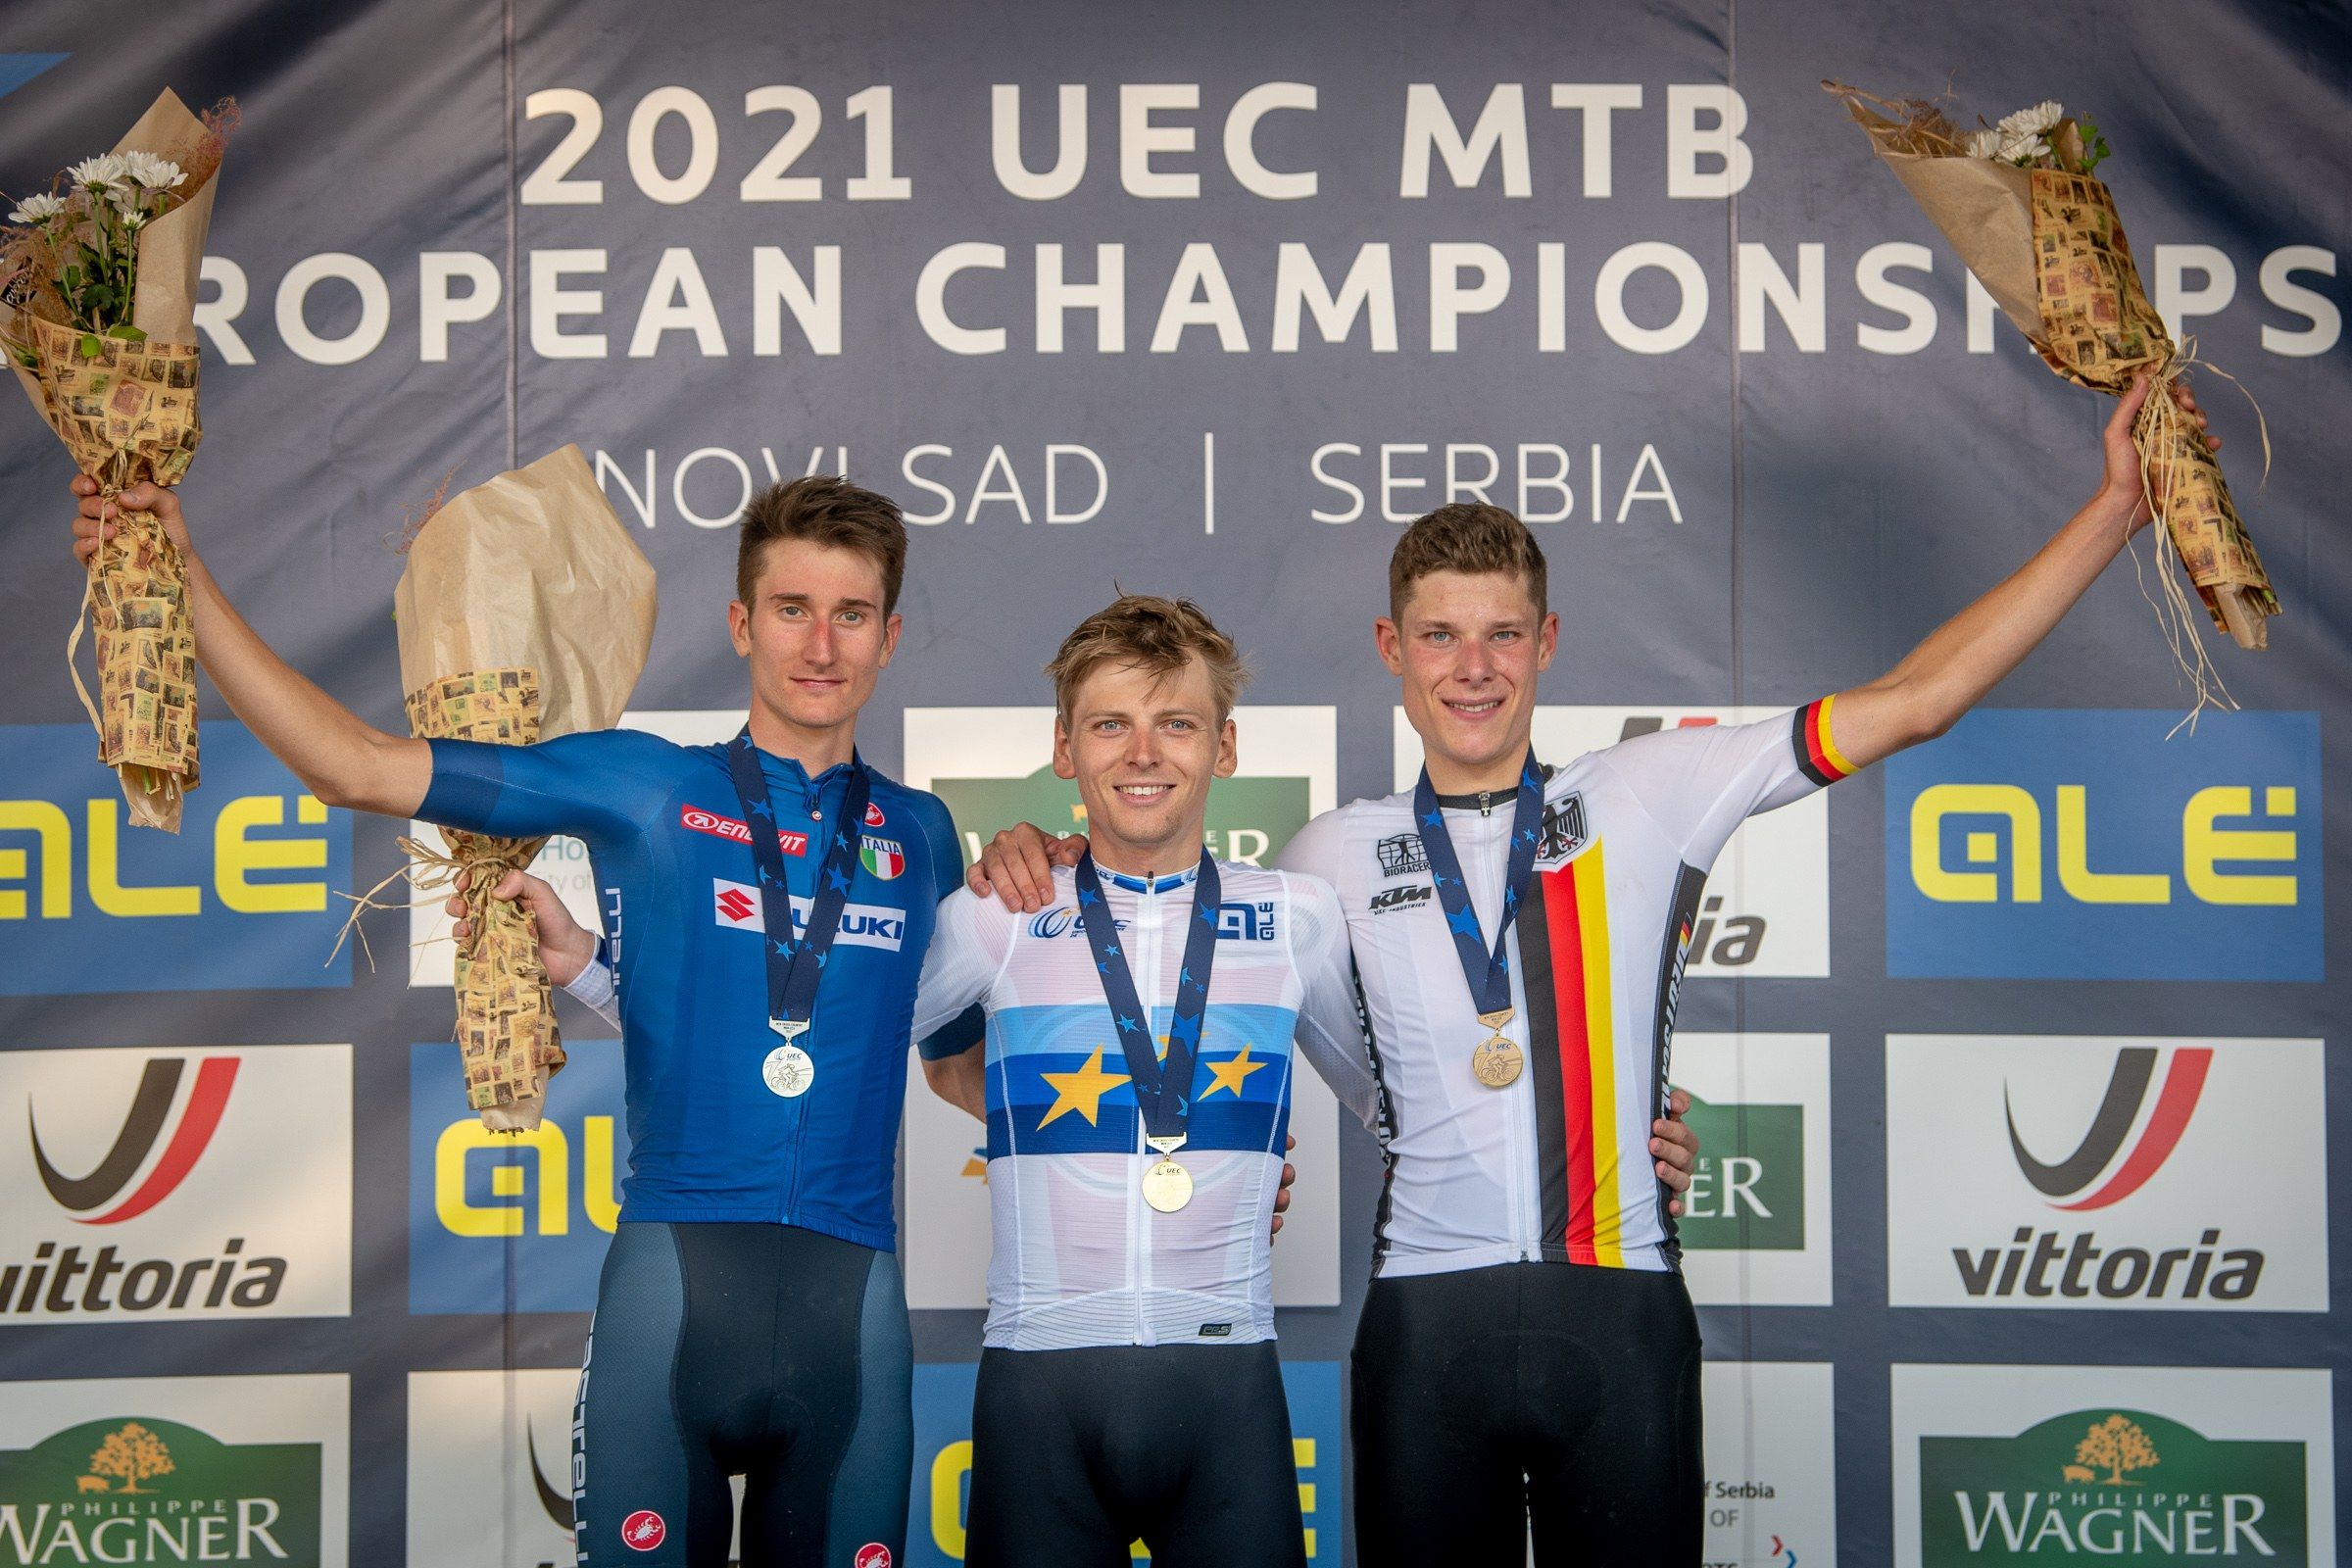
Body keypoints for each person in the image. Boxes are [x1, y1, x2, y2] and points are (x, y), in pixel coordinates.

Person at [967, 372, 2214, 1563]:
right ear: (1390, 645)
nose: (1473, 666)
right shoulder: (1322, 863)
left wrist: (2114, 510)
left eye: (1503, 633)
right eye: (1442, 635)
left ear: (1548, 639)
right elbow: (1206, 988)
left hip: (1620, 1316)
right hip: (1424, 1326)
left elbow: (1918, 699)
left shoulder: (1647, 793)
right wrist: (1048, 848)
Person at [71, 472, 973, 1568]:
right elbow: (349, 766)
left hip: (856, 1321)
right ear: (742, 623)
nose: (820, 644)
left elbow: (956, 1066)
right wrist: (182, 570)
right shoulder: (644, 783)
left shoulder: (923, 836)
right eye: (792, 609)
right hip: (674, 1302)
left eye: (852, 614)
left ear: (889, 635)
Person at [568, 593, 1364, 1567]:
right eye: (1111, 724)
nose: (1144, 754)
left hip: (1230, 1384)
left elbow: (1407, 1104)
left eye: (1178, 724)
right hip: (1038, 1397)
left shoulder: (1300, 916)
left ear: (1226, 746)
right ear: (1065, 747)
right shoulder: (997, 915)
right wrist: (584, 968)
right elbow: (785, 1044)